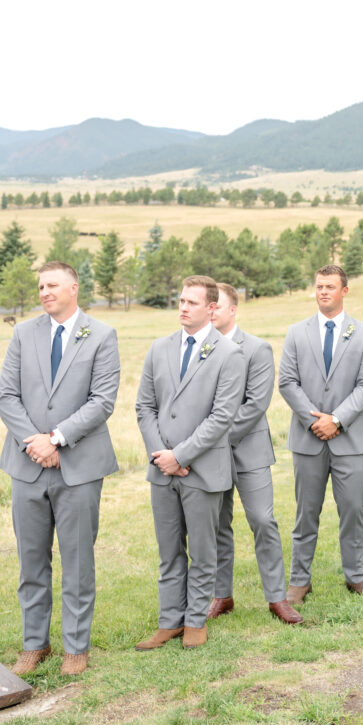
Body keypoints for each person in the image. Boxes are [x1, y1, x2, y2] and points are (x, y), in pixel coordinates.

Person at [0, 261, 120, 677]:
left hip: (79, 467)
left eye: (52, 285)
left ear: (74, 287)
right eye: (40, 286)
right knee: (31, 561)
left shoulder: (101, 335)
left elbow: (103, 400)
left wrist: (58, 438)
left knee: (78, 561)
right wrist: (36, 441)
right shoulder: (23, 333)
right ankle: (35, 645)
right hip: (27, 464)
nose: (44, 291)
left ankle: (75, 647)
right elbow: (7, 396)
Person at [135, 276, 244, 650]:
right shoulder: (158, 348)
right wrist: (162, 456)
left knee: (202, 549)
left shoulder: (229, 355)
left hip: (203, 469)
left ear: (212, 308)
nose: (183, 307)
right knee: (168, 550)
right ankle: (170, 620)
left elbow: (222, 416)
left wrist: (181, 456)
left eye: (192, 302)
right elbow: (144, 407)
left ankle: (196, 620)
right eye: (180, 300)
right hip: (161, 468)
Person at [279, 265, 363, 604]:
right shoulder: (296, 332)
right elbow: (287, 382)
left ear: (344, 291)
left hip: (349, 439)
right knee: (305, 512)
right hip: (308, 440)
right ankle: (299, 581)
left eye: (330, 286)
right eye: (319, 286)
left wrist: (336, 419)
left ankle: (355, 575)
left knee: (353, 509)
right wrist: (314, 421)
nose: (324, 291)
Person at [207, 284, 302, 625]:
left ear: (233, 310)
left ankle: (277, 598)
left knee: (263, 520)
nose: (211, 311)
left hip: (248, 449)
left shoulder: (257, 349)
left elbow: (256, 404)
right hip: (208, 455)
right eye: (209, 305)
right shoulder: (199, 347)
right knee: (218, 524)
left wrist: (212, 438)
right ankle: (222, 595)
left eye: (217, 306)